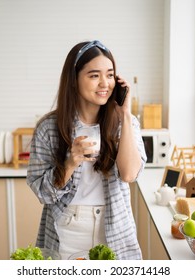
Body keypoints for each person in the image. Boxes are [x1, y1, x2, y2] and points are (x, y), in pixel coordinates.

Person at [26, 40, 147, 260]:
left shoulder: (125, 123)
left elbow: (129, 174)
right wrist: (69, 163)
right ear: (73, 80)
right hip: (68, 227)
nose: (105, 84)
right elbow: (42, 192)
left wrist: (126, 115)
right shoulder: (49, 128)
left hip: (114, 226)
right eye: (94, 75)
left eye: (110, 75)